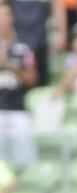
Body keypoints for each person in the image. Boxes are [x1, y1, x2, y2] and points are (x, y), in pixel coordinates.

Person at [0, 2, 37, 167]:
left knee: (23, 162)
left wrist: (8, 65)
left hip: (17, 111)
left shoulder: (23, 47)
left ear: (11, 18)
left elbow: (31, 79)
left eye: (5, 15)